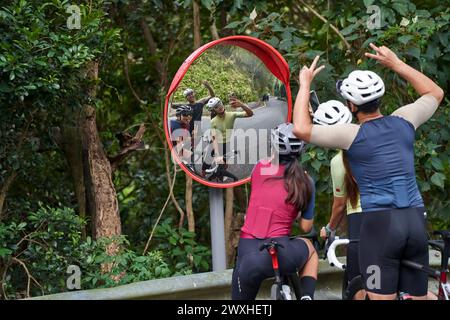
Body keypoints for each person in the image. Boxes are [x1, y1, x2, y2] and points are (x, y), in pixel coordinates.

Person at [292, 43, 444, 300]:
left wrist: (305, 84)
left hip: (380, 227)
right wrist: (396, 64)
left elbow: (301, 129)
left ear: (351, 106)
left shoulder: (351, 134)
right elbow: (435, 92)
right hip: (416, 221)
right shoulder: (405, 119)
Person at [232, 123, 318, 300]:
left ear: (274, 146)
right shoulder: (306, 181)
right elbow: (306, 227)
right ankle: (307, 296)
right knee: (311, 250)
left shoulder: (259, 168)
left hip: (249, 254)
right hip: (283, 252)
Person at [313, 100, 365, 300]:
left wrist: (329, 228)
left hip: (362, 222)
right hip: (398, 214)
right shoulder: (374, 139)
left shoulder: (338, 161)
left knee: (358, 285)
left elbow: (340, 204)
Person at [203, 97, 253, 178]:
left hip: (227, 144)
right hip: (216, 143)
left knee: (225, 165)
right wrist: (217, 154)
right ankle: (203, 178)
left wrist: (241, 105)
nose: (219, 107)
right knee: (206, 164)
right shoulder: (213, 121)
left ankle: (221, 176)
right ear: (213, 110)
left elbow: (250, 114)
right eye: (216, 107)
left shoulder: (232, 115)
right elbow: (214, 138)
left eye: (220, 104)